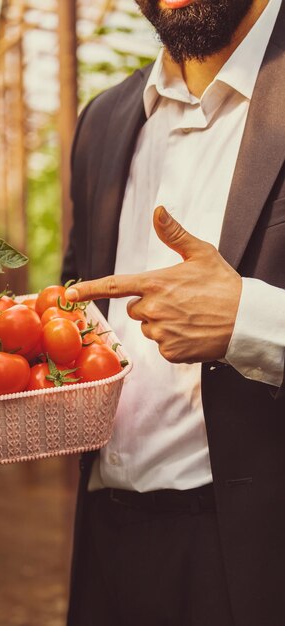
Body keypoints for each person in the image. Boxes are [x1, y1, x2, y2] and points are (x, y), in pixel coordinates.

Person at [61, 1, 285, 625]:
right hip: (110, 547)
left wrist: (252, 321)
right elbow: (79, 298)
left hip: (262, 561)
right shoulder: (103, 121)